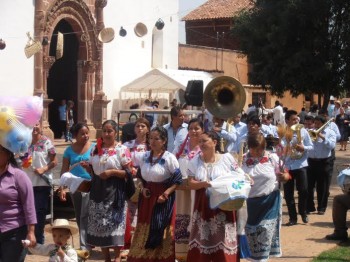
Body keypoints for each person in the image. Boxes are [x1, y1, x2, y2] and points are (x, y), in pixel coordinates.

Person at [127, 126, 182, 262]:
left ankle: (161, 257)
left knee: (160, 224)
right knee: (144, 223)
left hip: (162, 198)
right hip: (147, 197)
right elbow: (140, 176)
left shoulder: (170, 158)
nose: (152, 141)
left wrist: (166, 194)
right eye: (150, 138)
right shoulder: (145, 156)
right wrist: (142, 188)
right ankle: (143, 256)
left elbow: (178, 180)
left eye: (156, 138)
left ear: (163, 141)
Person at [186, 131, 243, 261]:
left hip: (224, 205)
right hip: (203, 205)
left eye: (204, 141)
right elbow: (190, 183)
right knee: (203, 239)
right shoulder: (195, 161)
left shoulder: (227, 158)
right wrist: (203, 184)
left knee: (223, 240)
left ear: (215, 143)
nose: (201, 144)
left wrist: (247, 178)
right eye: (200, 141)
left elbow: (239, 174)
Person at [86, 120, 134, 262]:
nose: (106, 134)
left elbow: (129, 173)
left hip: (115, 192)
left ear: (115, 132)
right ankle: (106, 257)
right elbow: (92, 170)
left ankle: (117, 257)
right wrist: (87, 168)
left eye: (109, 131)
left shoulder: (122, 149)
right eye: (104, 131)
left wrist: (112, 172)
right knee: (100, 226)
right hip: (97, 190)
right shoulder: (95, 149)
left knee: (114, 225)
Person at [241, 133, 284, 261]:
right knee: (251, 239)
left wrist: (283, 176)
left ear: (264, 147)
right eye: (253, 148)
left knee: (264, 234)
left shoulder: (273, 159)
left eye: (259, 148)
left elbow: (286, 175)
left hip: (269, 203)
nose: (256, 151)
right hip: (249, 205)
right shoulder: (241, 160)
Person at [59, 123, 95, 251]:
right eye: (82, 134)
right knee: (80, 215)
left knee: (87, 215)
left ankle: (86, 244)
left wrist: (89, 168)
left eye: (87, 133)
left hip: (90, 185)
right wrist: (62, 188)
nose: (85, 136)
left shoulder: (94, 148)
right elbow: (64, 169)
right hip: (75, 187)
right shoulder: (69, 150)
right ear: (75, 135)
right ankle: (85, 242)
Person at [0, 144, 37, 262]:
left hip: (14, 232)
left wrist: (31, 232)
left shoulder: (19, 176)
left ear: (8, 154)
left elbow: (29, 205)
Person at [174, 118, 203, 261]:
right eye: (191, 128)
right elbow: (173, 162)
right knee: (182, 216)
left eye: (197, 128)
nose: (193, 131)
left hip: (196, 189)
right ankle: (182, 253)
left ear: (202, 131)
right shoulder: (181, 147)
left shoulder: (204, 148)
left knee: (194, 216)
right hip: (181, 190)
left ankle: (196, 252)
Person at [23, 123, 57, 244]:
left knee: (39, 212)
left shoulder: (47, 142)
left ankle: (39, 241)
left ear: (41, 126)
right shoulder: (23, 142)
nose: (34, 127)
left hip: (42, 183)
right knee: (25, 212)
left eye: (36, 124)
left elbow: (54, 161)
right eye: (32, 124)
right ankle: (27, 240)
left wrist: (44, 169)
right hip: (25, 184)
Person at [122, 117, 150, 258]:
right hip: (131, 182)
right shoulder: (127, 145)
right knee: (130, 212)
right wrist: (132, 170)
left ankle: (143, 244)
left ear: (148, 129)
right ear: (134, 129)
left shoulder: (152, 145)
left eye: (143, 126)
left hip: (147, 182)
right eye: (138, 126)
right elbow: (124, 161)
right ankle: (128, 244)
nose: (140, 128)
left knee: (144, 212)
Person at [282, 110, 313, 226]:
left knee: (304, 190)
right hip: (287, 166)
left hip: (301, 165)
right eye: (294, 119)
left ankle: (303, 212)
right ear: (287, 121)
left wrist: (303, 148)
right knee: (288, 194)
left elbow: (311, 146)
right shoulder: (282, 132)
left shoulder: (303, 131)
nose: (297, 121)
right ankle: (292, 218)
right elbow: (279, 149)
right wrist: (286, 148)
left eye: (297, 118)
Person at [306, 115, 336, 215]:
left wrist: (322, 137)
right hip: (311, 161)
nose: (316, 125)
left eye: (319, 123)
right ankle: (309, 207)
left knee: (322, 186)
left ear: (323, 124)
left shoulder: (330, 132)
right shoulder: (310, 131)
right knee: (309, 186)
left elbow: (332, 146)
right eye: (316, 123)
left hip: (324, 162)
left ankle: (321, 207)